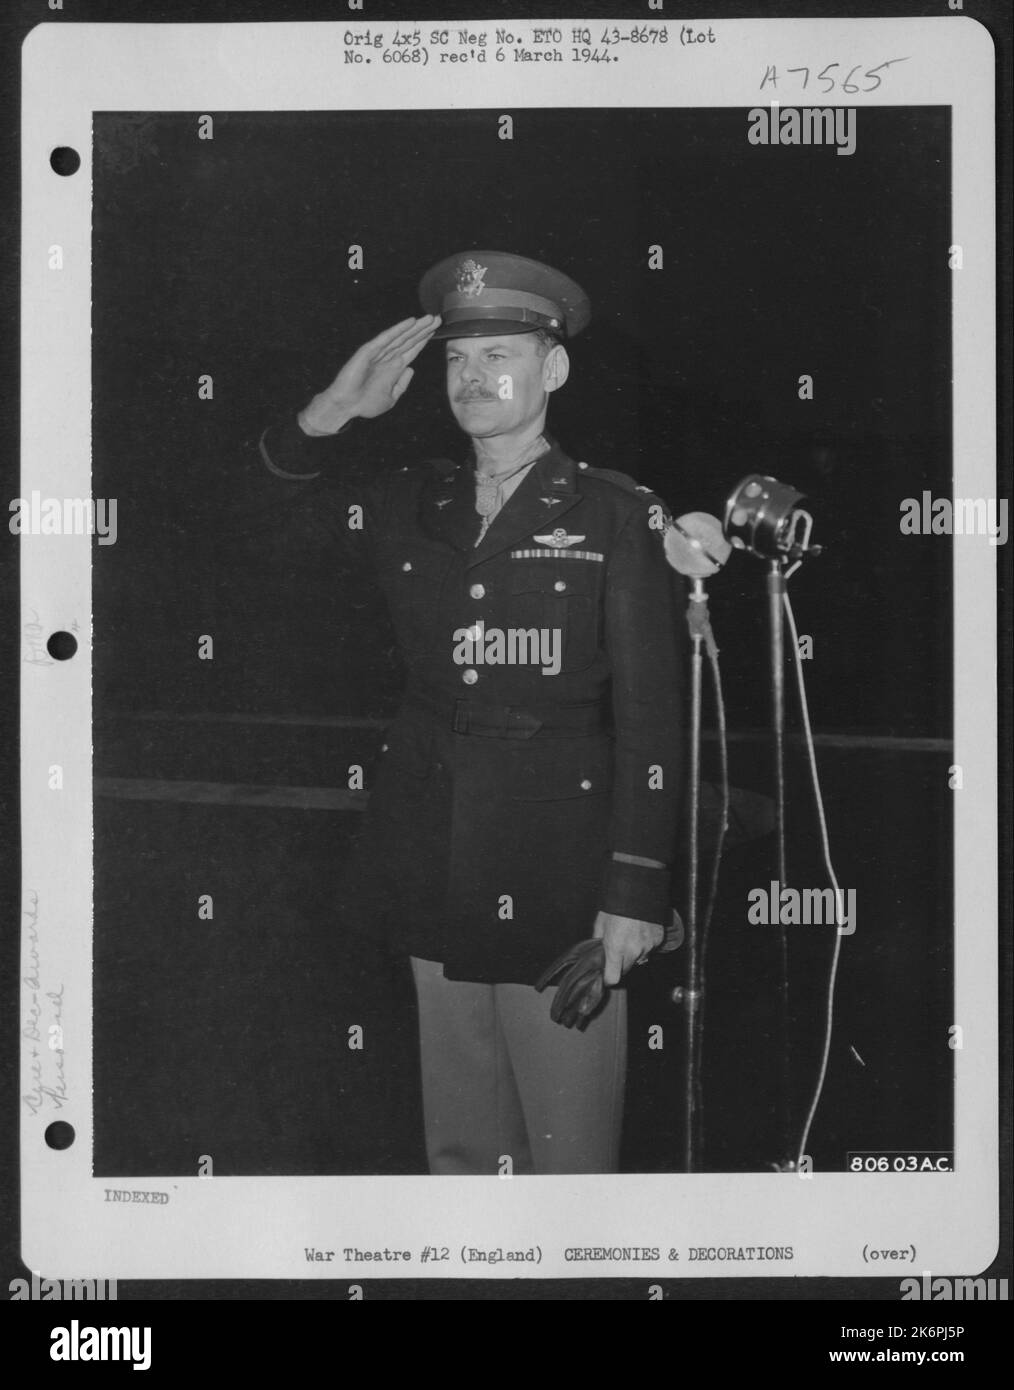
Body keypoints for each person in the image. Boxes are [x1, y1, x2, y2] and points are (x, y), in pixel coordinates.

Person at [255, 251, 685, 1174]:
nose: (475, 378)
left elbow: (655, 721)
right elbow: (252, 533)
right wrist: (330, 413)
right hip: (430, 859)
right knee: (459, 1150)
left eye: (500, 355)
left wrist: (635, 893)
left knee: (569, 1159)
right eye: (457, 360)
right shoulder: (411, 501)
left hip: (566, 884)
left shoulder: (618, 517)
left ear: (552, 370)